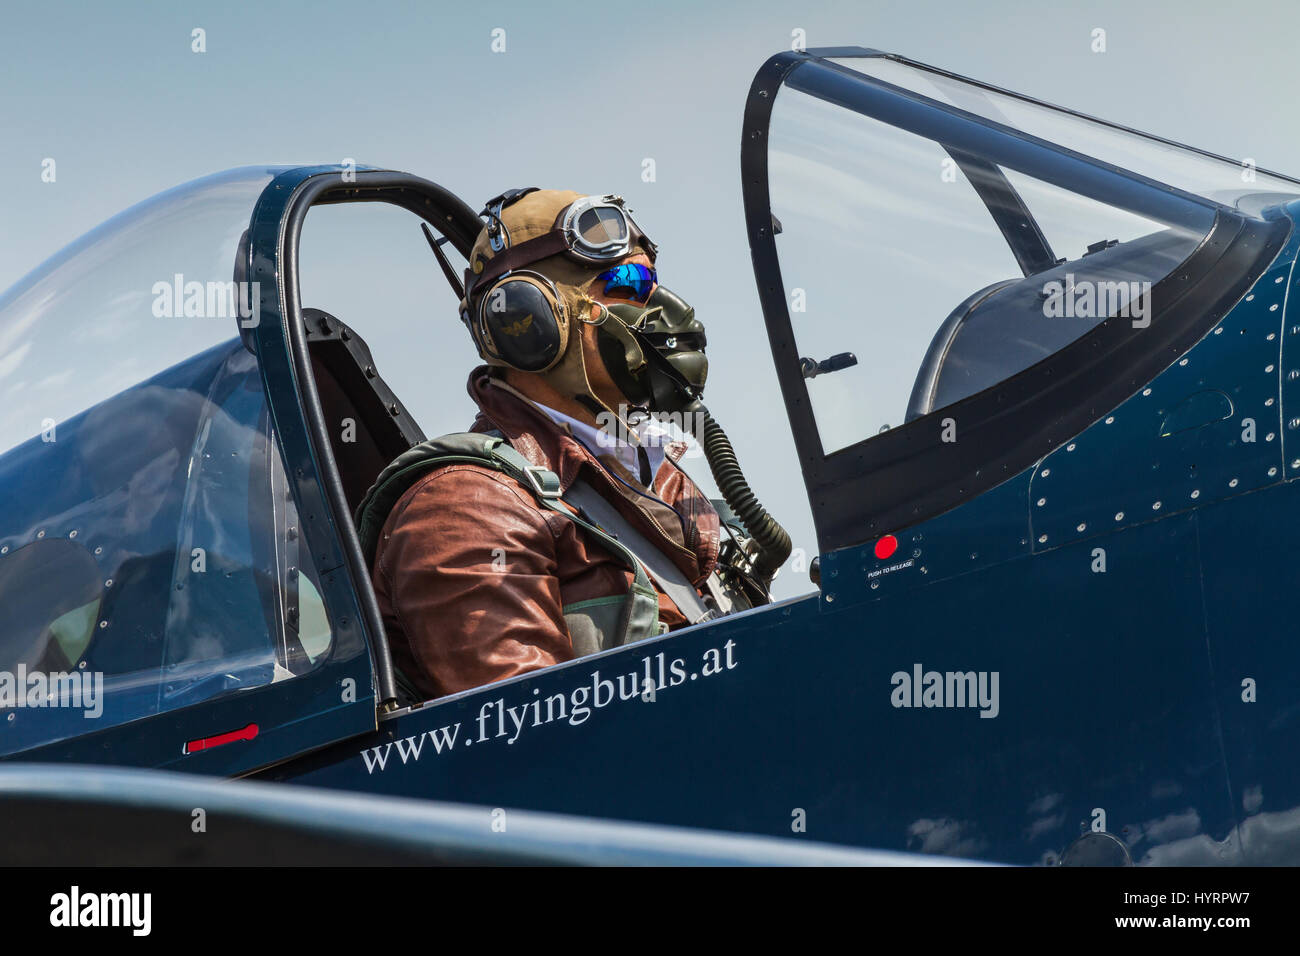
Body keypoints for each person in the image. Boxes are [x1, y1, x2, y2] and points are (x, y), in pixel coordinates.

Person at [364, 189, 746, 700]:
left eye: (651, 282)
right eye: (627, 283)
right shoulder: (467, 507)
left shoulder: (660, 478)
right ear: (529, 320)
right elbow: (529, 738)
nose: (657, 305)